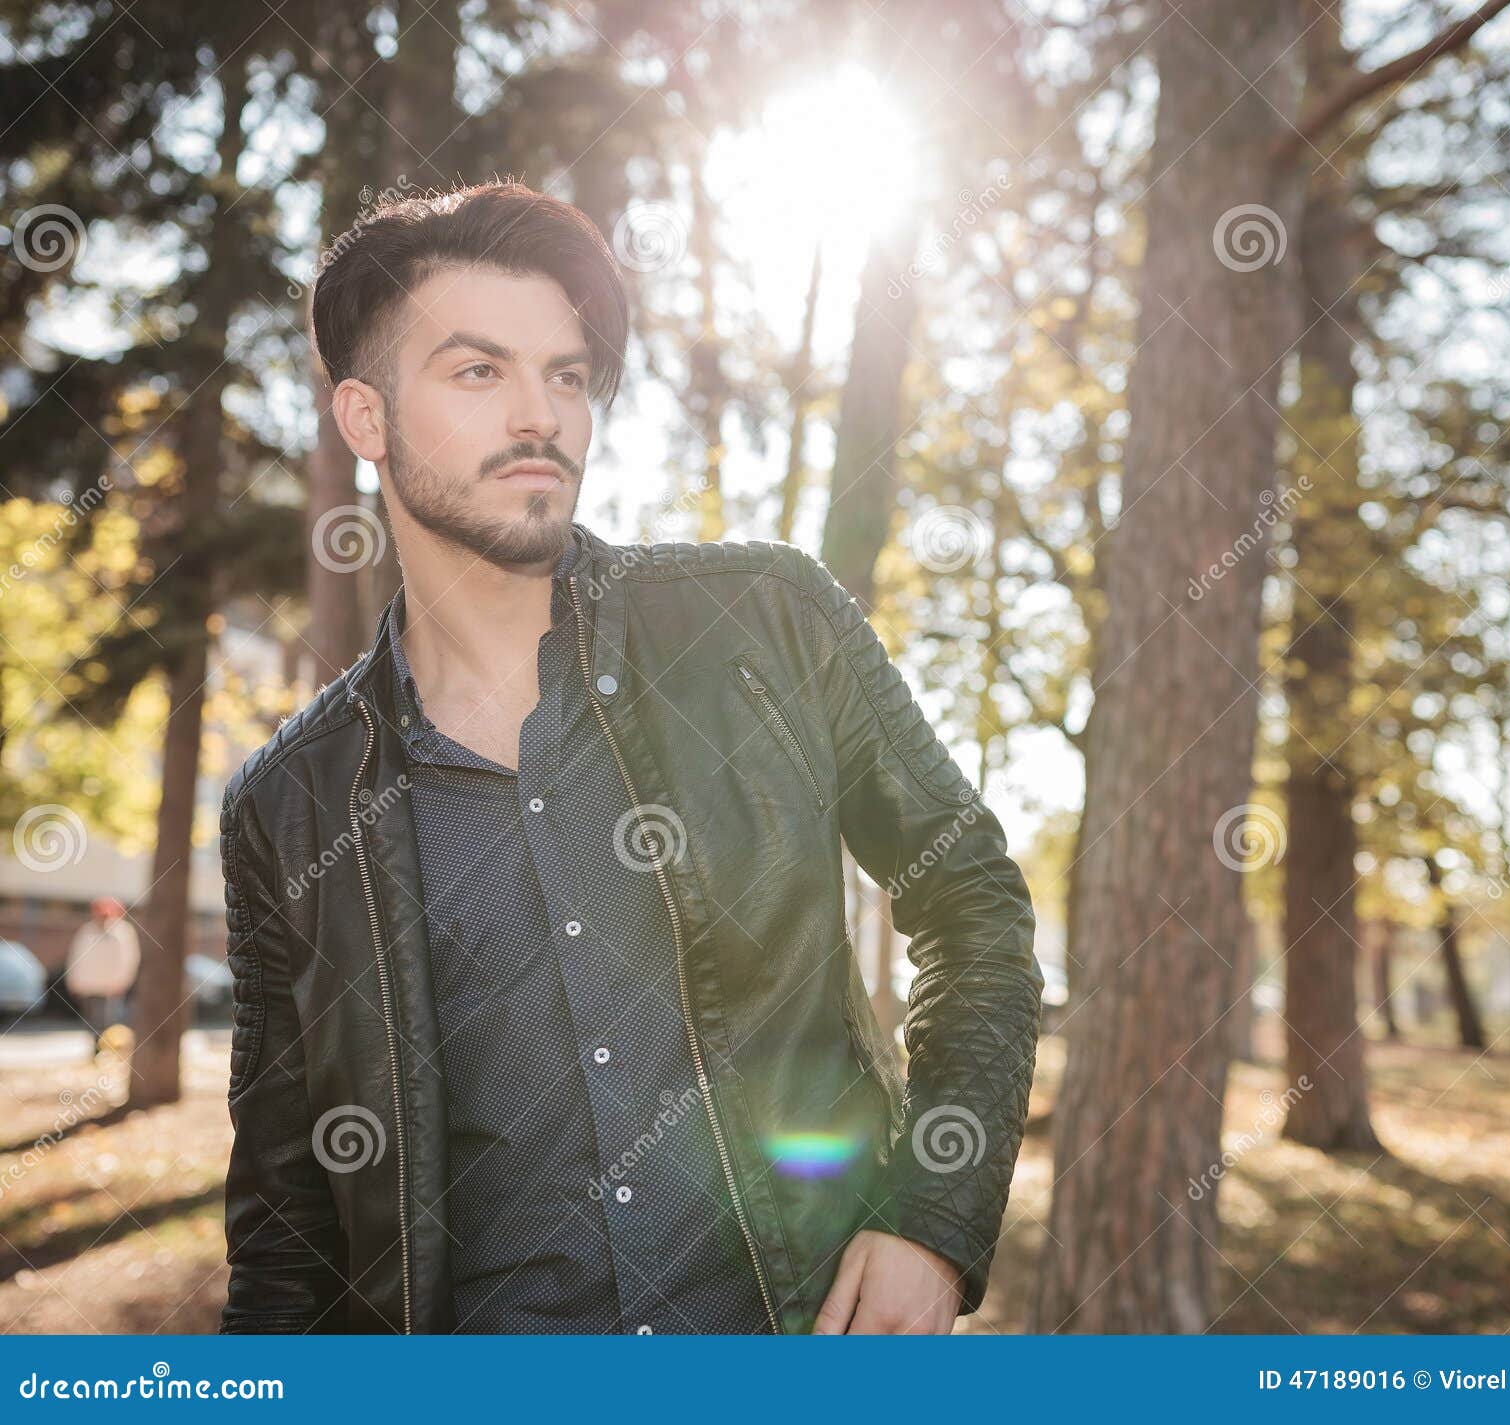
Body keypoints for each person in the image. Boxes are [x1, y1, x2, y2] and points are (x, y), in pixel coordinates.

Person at [218, 181, 1043, 1337]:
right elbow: (287, 1227)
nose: (540, 414)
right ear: (364, 419)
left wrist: (932, 1220)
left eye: (565, 374)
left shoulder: (765, 623)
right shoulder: (289, 809)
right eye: (477, 371)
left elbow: (973, 907)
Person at [64, 896, 140, 1058]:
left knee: (107, 1021)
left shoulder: (123, 932)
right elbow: (76, 956)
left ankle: (107, 1051)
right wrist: (73, 979)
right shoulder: (87, 931)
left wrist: (122, 982)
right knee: (91, 1021)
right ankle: (95, 1050)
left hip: (110, 987)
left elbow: (129, 960)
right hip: (88, 985)